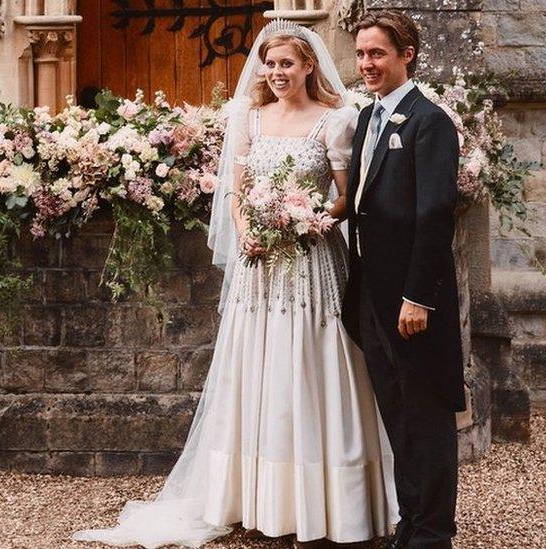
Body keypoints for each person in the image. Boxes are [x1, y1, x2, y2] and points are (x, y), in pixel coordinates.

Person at [73, 20, 397, 548]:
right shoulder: (248, 116)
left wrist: (309, 220)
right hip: (259, 267)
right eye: (270, 65)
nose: (276, 74)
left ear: (309, 65)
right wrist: (249, 231)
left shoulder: (336, 121)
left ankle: (330, 503)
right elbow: (235, 192)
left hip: (311, 262)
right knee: (258, 367)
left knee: (313, 368)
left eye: (287, 64)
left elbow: (346, 195)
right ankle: (254, 498)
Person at [343, 11, 463, 549]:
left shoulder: (428, 120)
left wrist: (418, 297)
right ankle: (410, 525)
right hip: (372, 293)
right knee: (398, 416)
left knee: (427, 417)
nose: (367, 64)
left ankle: (433, 534)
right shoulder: (370, 119)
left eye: (378, 54)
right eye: (362, 54)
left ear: (406, 53)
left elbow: (436, 213)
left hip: (413, 302)